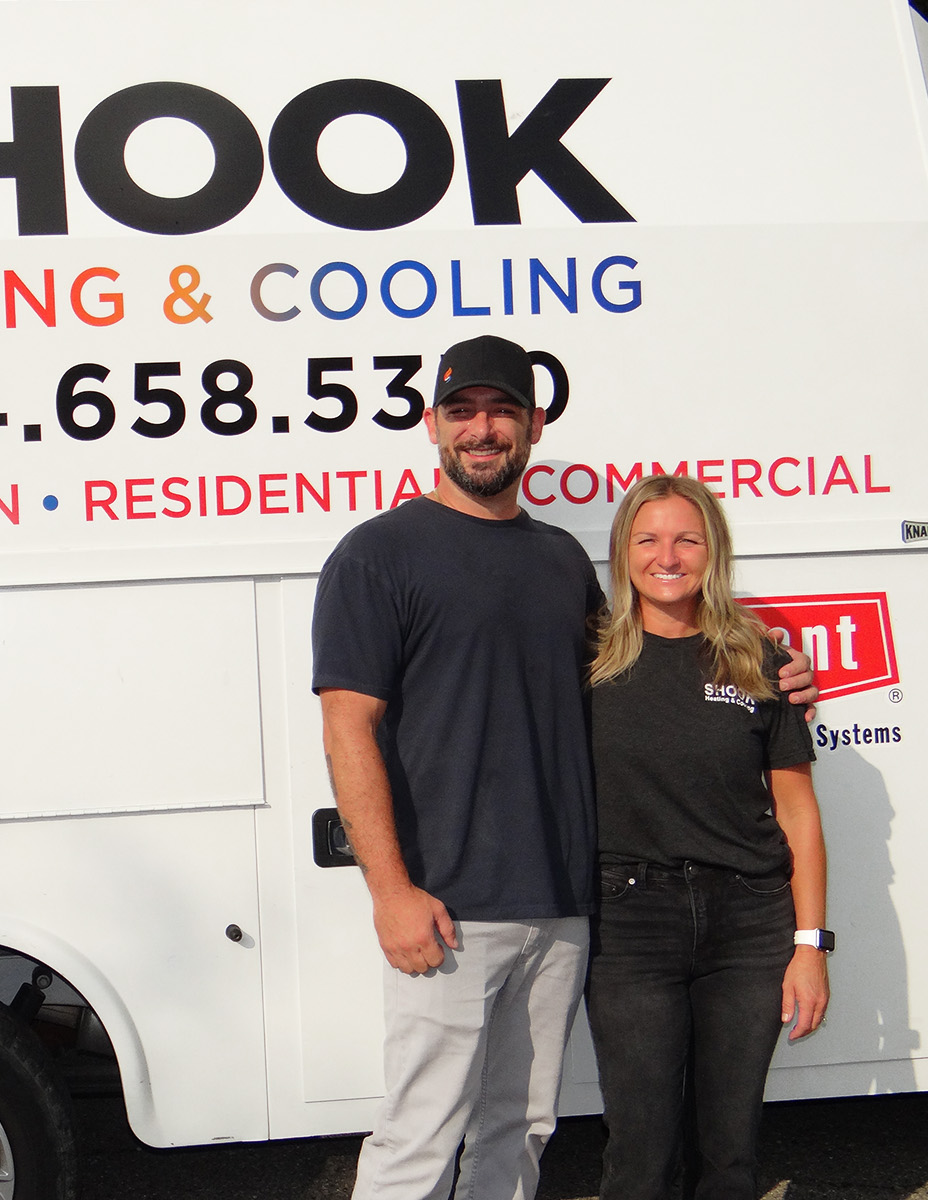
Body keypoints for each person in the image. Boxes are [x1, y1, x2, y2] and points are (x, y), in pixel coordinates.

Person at [310, 334, 817, 1200]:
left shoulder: (559, 563)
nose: (483, 429)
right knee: (420, 1135)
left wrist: (769, 658)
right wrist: (389, 890)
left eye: (502, 410)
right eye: (463, 412)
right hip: (447, 907)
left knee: (521, 1128)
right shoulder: (377, 553)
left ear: (534, 428)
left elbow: (657, 660)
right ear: (433, 426)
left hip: (569, 909)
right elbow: (346, 728)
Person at [584, 473, 830, 1200]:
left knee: (730, 1154)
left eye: (687, 538)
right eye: (648, 538)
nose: (668, 555)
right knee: (641, 1154)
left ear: (713, 551)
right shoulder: (585, 660)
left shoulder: (762, 661)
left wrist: (810, 947)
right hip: (631, 923)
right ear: (622, 552)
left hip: (750, 924)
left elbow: (798, 813)